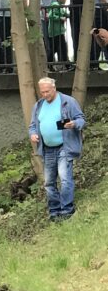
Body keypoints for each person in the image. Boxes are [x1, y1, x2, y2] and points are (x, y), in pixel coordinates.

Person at [29, 77, 86, 221]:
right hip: (47, 149)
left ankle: (67, 210)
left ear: (54, 88)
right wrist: (33, 134)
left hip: (64, 147)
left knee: (65, 178)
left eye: (47, 91)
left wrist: (74, 124)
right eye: (42, 92)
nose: (45, 95)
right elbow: (32, 126)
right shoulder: (39, 105)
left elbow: (81, 119)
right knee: (49, 182)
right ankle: (54, 211)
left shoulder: (67, 101)